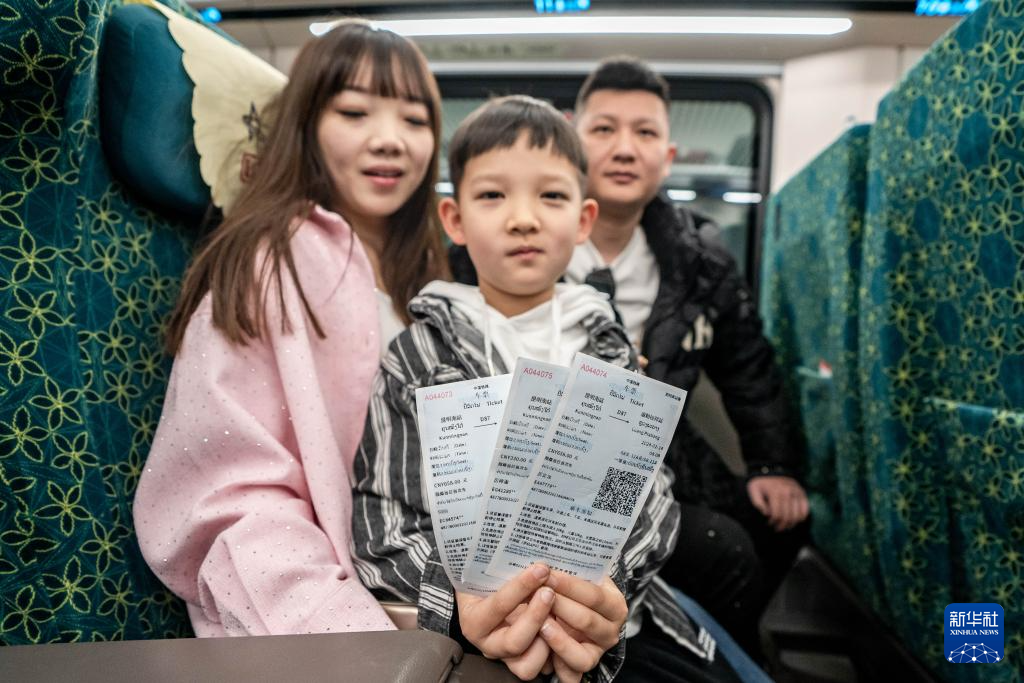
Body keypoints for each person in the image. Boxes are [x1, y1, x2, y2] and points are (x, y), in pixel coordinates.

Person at [351, 95, 742, 683]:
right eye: (492, 195)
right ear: (454, 220)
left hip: (612, 624)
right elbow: (382, 517)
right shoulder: (418, 355)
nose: (523, 219)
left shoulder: (607, 347)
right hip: (475, 638)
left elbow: (648, 491)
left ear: (583, 221)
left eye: (551, 196)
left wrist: (607, 588)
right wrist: (460, 603)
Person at [133, 20, 449, 636]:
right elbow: (229, 497)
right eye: (354, 113)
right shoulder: (272, 262)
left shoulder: (433, 282)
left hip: (433, 591)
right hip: (332, 616)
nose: (391, 140)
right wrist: (350, 633)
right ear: (306, 126)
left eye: (415, 120)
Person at [567, 56, 810, 654]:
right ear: (572, 143)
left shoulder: (700, 256)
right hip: (563, 460)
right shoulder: (530, 237)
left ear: (668, 156)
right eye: (604, 129)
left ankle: (723, 649)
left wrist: (772, 464)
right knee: (723, 551)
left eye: (645, 132)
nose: (625, 149)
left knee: (780, 524)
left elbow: (747, 366)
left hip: (664, 452)